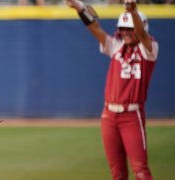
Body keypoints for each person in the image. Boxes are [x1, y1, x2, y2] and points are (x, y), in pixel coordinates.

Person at [64, 0, 158, 179]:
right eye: (122, 28)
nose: (125, 32)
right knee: (117, 173)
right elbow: (95, 28)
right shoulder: (117, 47)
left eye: (129, 28)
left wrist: (133, 12)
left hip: (131, 115)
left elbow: (142, 34)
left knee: (140, 170)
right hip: (108, 116)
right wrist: (80, 7)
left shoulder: (149, 49)